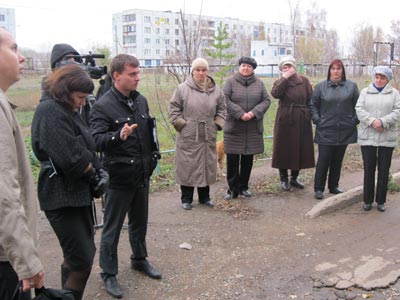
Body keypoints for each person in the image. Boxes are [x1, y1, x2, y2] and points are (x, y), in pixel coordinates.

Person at [31, 64, 108, 300]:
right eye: (80, 97)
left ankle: (68, 295)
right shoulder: (50, 111)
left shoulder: (67, 110)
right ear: (65, 91)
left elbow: (87, 145)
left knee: (79, 255)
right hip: (61, 195)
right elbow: (71, 157)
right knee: (81, 260)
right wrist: (94, 172)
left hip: (76, 193)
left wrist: (97, 168)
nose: (83, 102)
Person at [90, 54, 161, 299]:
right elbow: (95, 139)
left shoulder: (140, 100)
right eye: (133, 74)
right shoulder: (103, 105)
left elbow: (149, 131)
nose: (138, 78)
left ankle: (139, 259)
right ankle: (108, 274)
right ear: (116, 75)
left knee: (140, 222)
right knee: (112, 227)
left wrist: (154, 154)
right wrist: (116, 136)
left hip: (141, 173)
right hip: (119, 177)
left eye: (138, 73)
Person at [0, 27, 44, 300]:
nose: (22, 57)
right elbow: (5, 191)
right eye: (14, 48)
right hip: (5, 260)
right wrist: (26, 262)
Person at [169, 57, 226, 209]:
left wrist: (216, 124)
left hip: (207, 133)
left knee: (206, 165)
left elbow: (222, 108)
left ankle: (205, 197)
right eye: (198, 70)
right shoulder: (182, 89)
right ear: (192, 71)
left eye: (203, 70)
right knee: (187, 166)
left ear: (207, 71)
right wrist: (183, 125)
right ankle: (186, 199)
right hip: (189, 134)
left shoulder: (216, 90)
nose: (201, 73)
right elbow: (174, 109)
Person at [310, 59, 359, 200]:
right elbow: (313, 106)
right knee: (323, 160)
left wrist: (354, 120)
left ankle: (333, 186)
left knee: (338, 160)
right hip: (326, 130)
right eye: (333, 68)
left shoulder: (351, 86)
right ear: (329, 71)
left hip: (345, 129)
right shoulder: (321, 87)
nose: (336, 71)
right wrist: (318, 121)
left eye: (338, 68)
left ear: (342, 70)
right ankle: (318, 188)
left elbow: (359, 105)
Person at [222, 56, 270, 200]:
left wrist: (253, 113)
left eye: (249, 66)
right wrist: (240, 113)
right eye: (243, 65)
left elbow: (266, 100)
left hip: (252, 128)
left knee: (247, 160)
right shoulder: (230, 82)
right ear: (239, 67)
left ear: (253, 69)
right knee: (232, 160)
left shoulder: (259, 84)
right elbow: (224, 99)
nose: (245, 68)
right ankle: (232, 189)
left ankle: (244, 187)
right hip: (234, 128)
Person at [355, 66, 400, 212]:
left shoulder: (394, 93)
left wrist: (383, 122)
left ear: (388, 79)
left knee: (384, 169)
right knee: (369, 169)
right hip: (368, 136)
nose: (379, 80)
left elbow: (397, 111)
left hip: (387, 137)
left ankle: (381, 200)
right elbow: (359, 109)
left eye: (382, 78)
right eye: (377, 77)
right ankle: (367, 200)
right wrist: (373, 121)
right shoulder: (365, 92)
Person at [271, 55, 315, 191]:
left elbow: (311, 99)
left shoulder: (304, 81)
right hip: (285, 118)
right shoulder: (280, 82)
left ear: (294, 67)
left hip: (301, 118)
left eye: (289, 66)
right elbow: (275, 94)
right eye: (285, 67)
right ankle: (283, 179)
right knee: (282, 148)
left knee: (299, 148)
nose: (288, 69)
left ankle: (294, 178)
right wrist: (284, 78)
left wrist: (309, 114)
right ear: (281, 70)